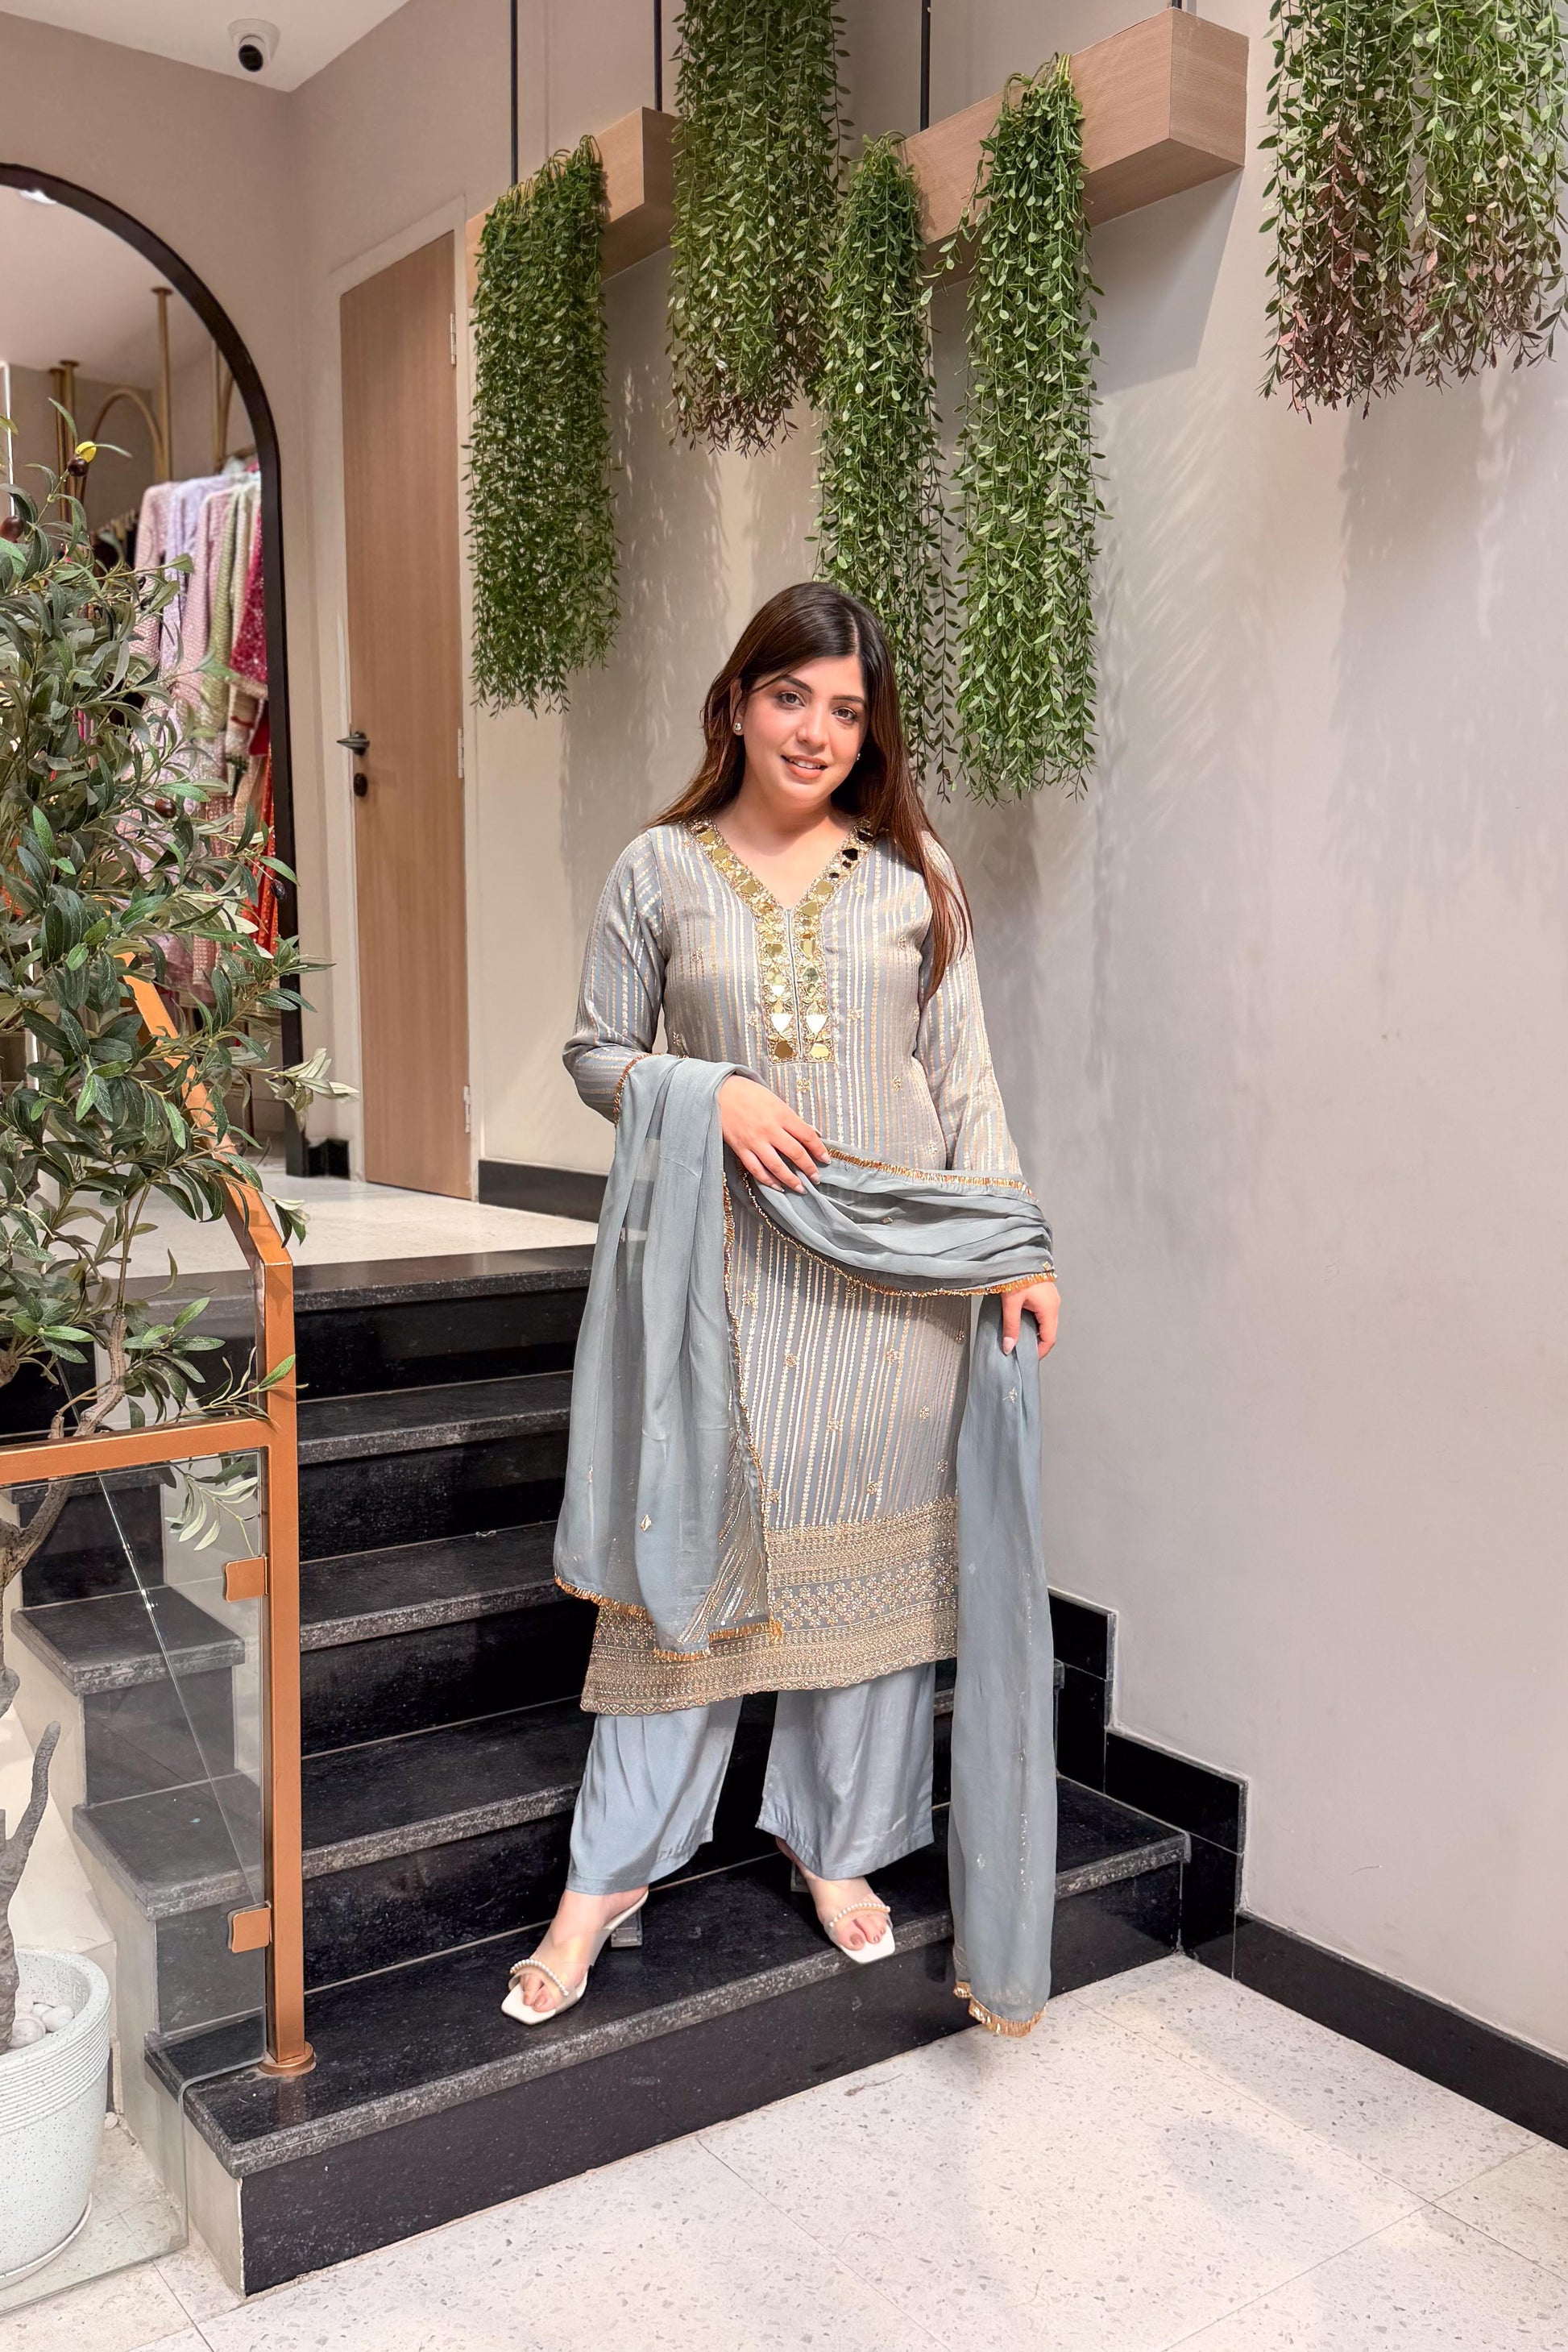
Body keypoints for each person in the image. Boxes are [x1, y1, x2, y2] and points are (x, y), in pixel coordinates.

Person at [506, 581, 1057, 2026]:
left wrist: (1018, 1248)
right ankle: (606, 1877)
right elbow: (595, 1054)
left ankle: (836, 1841)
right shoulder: (660, 870)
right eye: (790, 696)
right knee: (690, 1565)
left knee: (868, 1589)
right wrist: (711, 1091)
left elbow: (964, 1079)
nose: (816, 730)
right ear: (738, 705)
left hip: (894, 1290)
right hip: (725, 1278)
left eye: (846, 709)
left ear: (871, 734)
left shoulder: (911, 878)